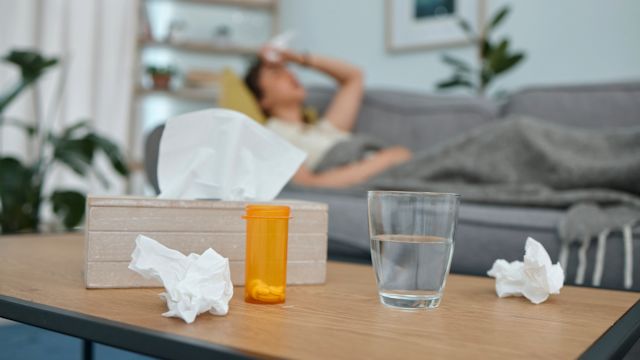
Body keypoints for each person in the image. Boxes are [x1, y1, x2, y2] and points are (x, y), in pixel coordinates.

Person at [245, 47, 412, 189]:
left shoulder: (325, 128)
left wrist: (298, 58)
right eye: (276, 74)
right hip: (381, 173)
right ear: (262, 100)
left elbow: (354, 76)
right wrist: (387, 160)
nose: (289, 74)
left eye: (288, 68)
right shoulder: (271, 135)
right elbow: (308, 183)